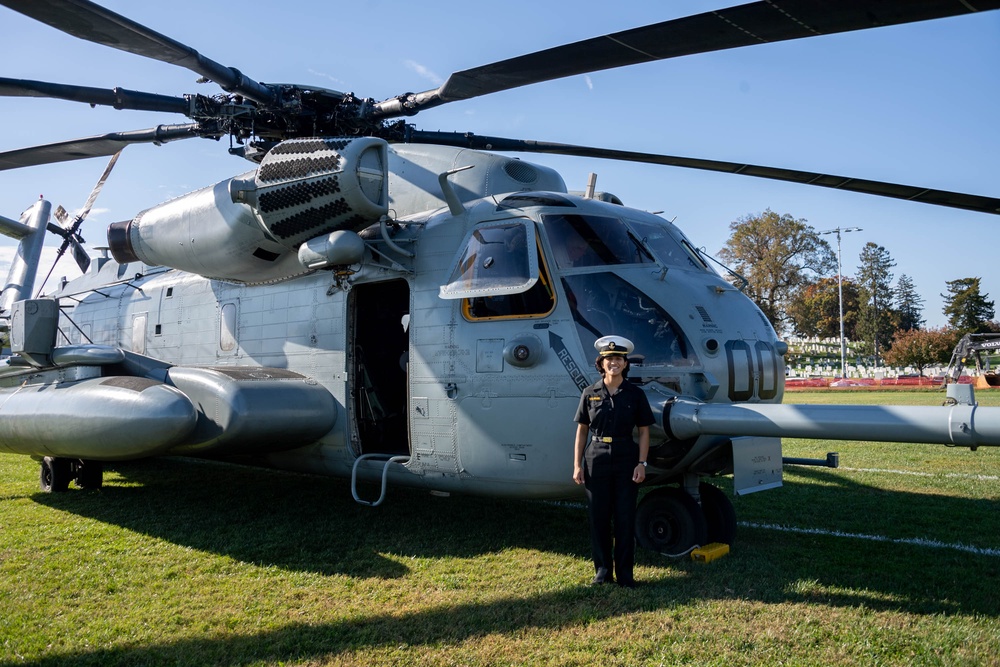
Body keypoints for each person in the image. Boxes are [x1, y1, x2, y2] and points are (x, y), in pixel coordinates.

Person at [572, 335, 653, 588]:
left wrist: (642, 463)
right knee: (599, 518)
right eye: (609, 359)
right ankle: (603, 572)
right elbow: (582, 430)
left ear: (625, 363)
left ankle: (625, 576)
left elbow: (644, 431)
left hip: (626, 457)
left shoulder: (635, 394)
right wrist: (576, 465)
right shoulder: (590, 393)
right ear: (601, 363)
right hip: (595, 457)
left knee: (625, 518)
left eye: (618, 359)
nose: (613, 363)